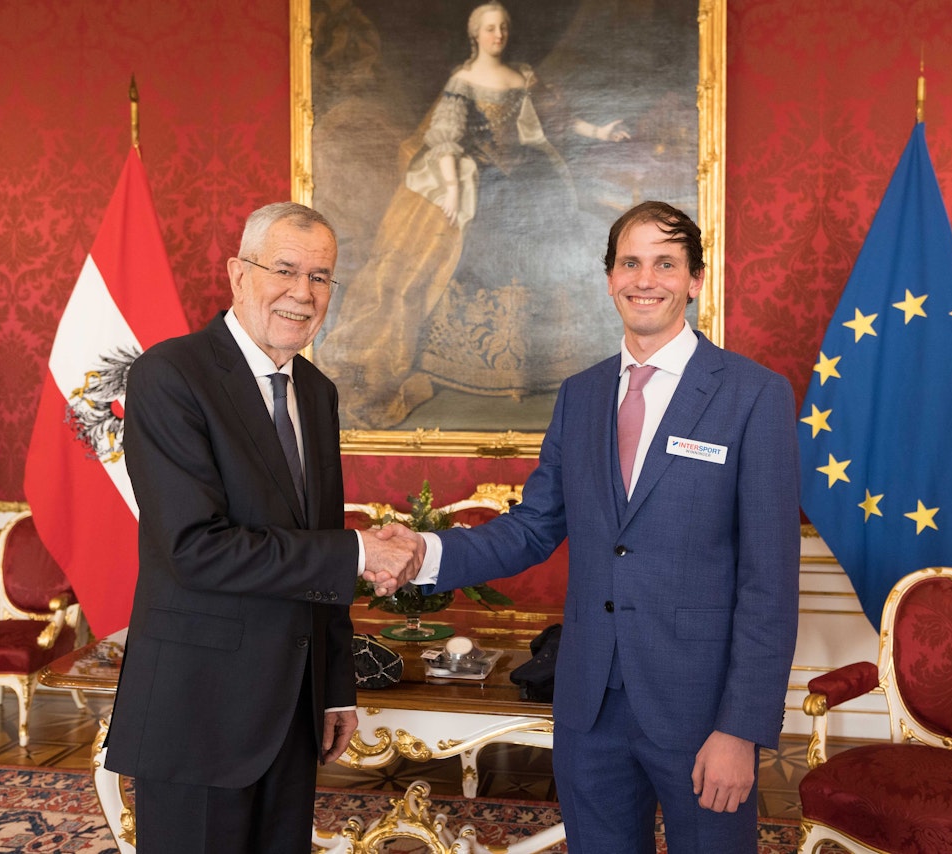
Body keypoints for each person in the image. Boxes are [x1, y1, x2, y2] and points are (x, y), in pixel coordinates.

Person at [370, 201, 801, 852]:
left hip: (700, 710)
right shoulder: (581, 394)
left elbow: (770, 582)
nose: (645, 279)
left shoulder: (753, 394)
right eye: (630, 263)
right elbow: (532, 527)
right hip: (589, 708)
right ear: (609, 278)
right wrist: (422, 553)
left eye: (665, 264)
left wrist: (741, 728)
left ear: (695, 280)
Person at [103, 202, 422, 854]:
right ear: (238, 274)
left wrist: (334, 687)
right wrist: (359, 551)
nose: (303, 293)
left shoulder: (316, 392)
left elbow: (319, 539)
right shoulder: (169, 375)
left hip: (293, 710)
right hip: (199, 712)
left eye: (321, 277)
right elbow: (197, 549)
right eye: (285, 270)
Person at [319, 1, 628, 428]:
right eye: (489, 28)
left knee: (545, 243)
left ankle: (536, 360)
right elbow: (445, 138)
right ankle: (471, 359)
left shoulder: (523, 77)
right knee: (482, 243)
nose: (497, 34)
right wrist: (451, 188)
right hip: (482, 179)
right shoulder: (462, 81)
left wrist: (600, 131)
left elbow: (558, 120)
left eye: (502, 27)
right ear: (475, 35)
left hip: (529, 175)